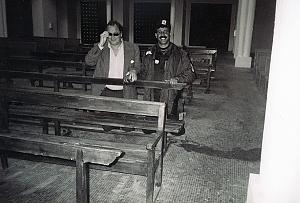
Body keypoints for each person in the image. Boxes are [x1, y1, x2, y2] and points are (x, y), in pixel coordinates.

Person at [85, 20, 141, 132]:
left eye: (115, 34)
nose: (112, 37)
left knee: (128, 129)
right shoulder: (101, 47)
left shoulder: (133, 47)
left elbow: (138, 66)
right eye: (109, 34)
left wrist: (134, 70)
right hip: (106, 92)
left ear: (121, 34)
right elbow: (89, 62)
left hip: (125, 92)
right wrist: (100, 45)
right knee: (108, 127)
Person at [139, 19, 196, 122]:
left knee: (173, 128)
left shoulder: (180, 53)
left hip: (171, 97)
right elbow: (142, 72)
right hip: (152, 95)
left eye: (165, 31)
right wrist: (133, 72)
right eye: (160, 32)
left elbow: (191, 74)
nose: (163, 34)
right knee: (148, 129)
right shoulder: (149, 53)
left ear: (170, 34)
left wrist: (178, 79)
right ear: (156, 35)